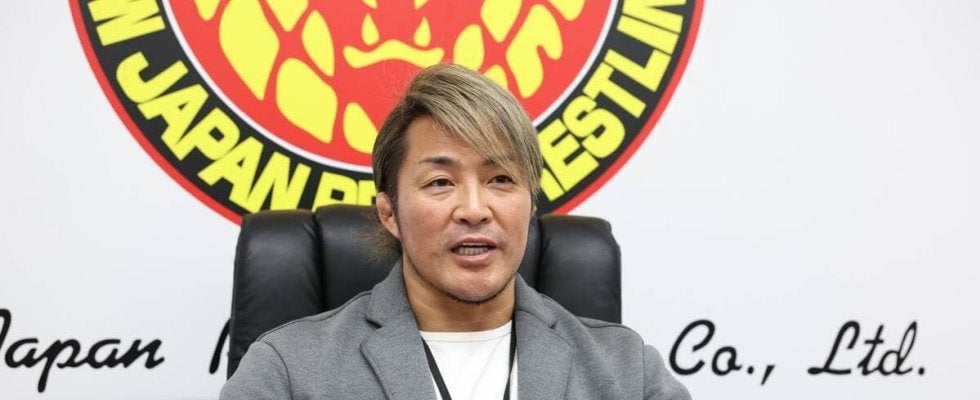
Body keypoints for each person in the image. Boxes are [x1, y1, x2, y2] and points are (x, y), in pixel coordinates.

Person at [220, 64, 690, 400]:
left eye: (500, 179)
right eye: (440, 183)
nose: (474, 209)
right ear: (389, 213)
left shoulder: (629, 372)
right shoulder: (286, 372)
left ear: (530, 205)